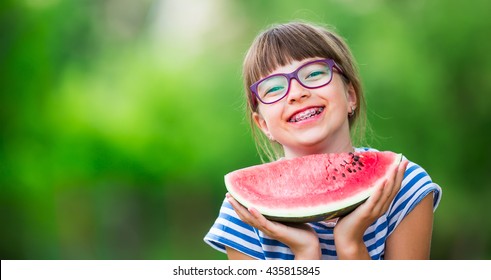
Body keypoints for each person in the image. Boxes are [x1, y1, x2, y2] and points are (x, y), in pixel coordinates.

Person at [204, 21, 442, 260]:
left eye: (315, 73)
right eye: (273, 88)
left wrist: (350, 244)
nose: (297, 94)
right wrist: (306, 254)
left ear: (350, 96)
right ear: (264, 125)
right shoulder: (244, 214)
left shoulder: (403, 186)